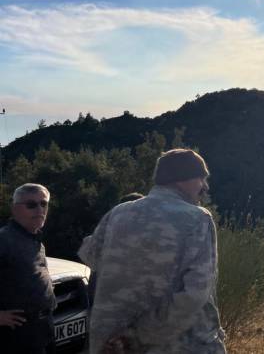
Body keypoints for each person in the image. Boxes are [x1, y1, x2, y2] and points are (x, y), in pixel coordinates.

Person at [78, 148, 226, 353]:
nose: (205, 187)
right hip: (173, 344)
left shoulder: (118, 213)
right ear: (181, 179)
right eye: (201, 178)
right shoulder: (197, 218)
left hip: (110, 342)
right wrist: (137, 335)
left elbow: (90, 256)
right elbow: (194, 294)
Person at [0, 183, 57, 353]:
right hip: (17, 333)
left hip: (44, 326)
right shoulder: (4, 240)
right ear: (15, 209)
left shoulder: (34, 239)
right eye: (31, 205)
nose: (39, 209)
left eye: (44, 204)